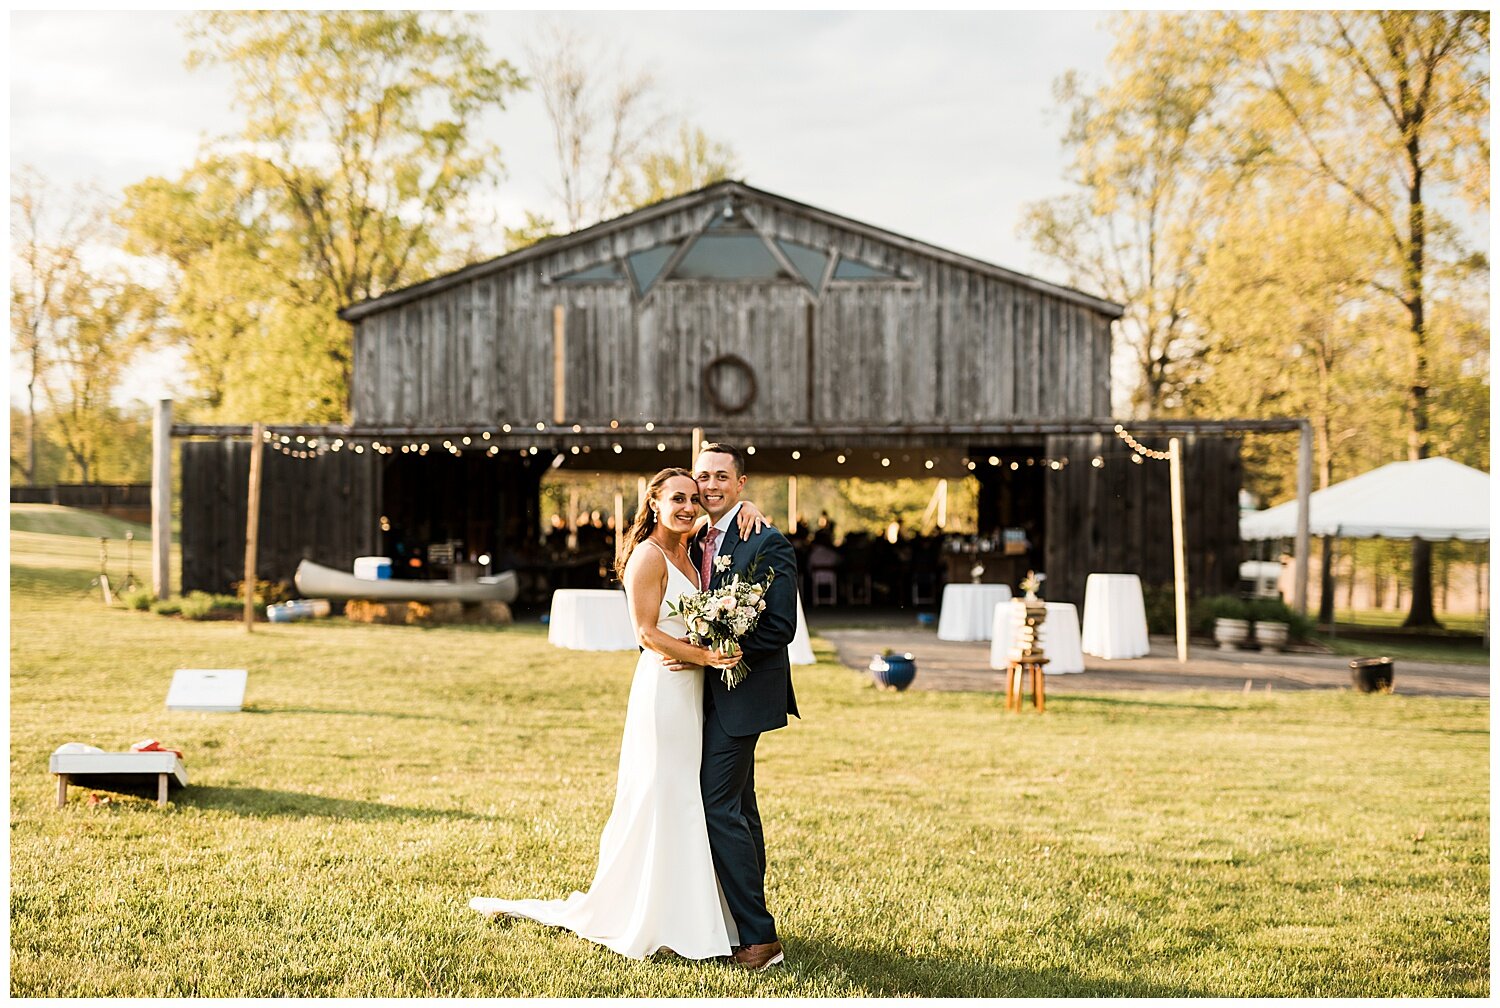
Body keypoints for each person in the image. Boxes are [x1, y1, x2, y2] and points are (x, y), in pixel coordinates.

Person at [468, 468, 769, 962]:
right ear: (653, 503)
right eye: (678, 498)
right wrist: (707, 656)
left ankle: (696, 912)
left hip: (693, 690)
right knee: (662, 792)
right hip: (665, 691)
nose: (689, 507)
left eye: (694, 499)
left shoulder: (690, 554)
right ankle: (652, 914)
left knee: (687, 797)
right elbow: (647, 634)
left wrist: (750, 509)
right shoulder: (648, 557)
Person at [669, 443, 799, 971]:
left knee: (717, 805)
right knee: (740, 808)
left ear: (741, 484)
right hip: (704, 696)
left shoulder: (767, 542)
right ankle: (736, 920)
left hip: (743, 694)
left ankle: (759, 936)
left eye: (722, 477)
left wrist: (717, 647)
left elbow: (780, 626)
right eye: (704, 477)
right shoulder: (696, 535)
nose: (712, 485)